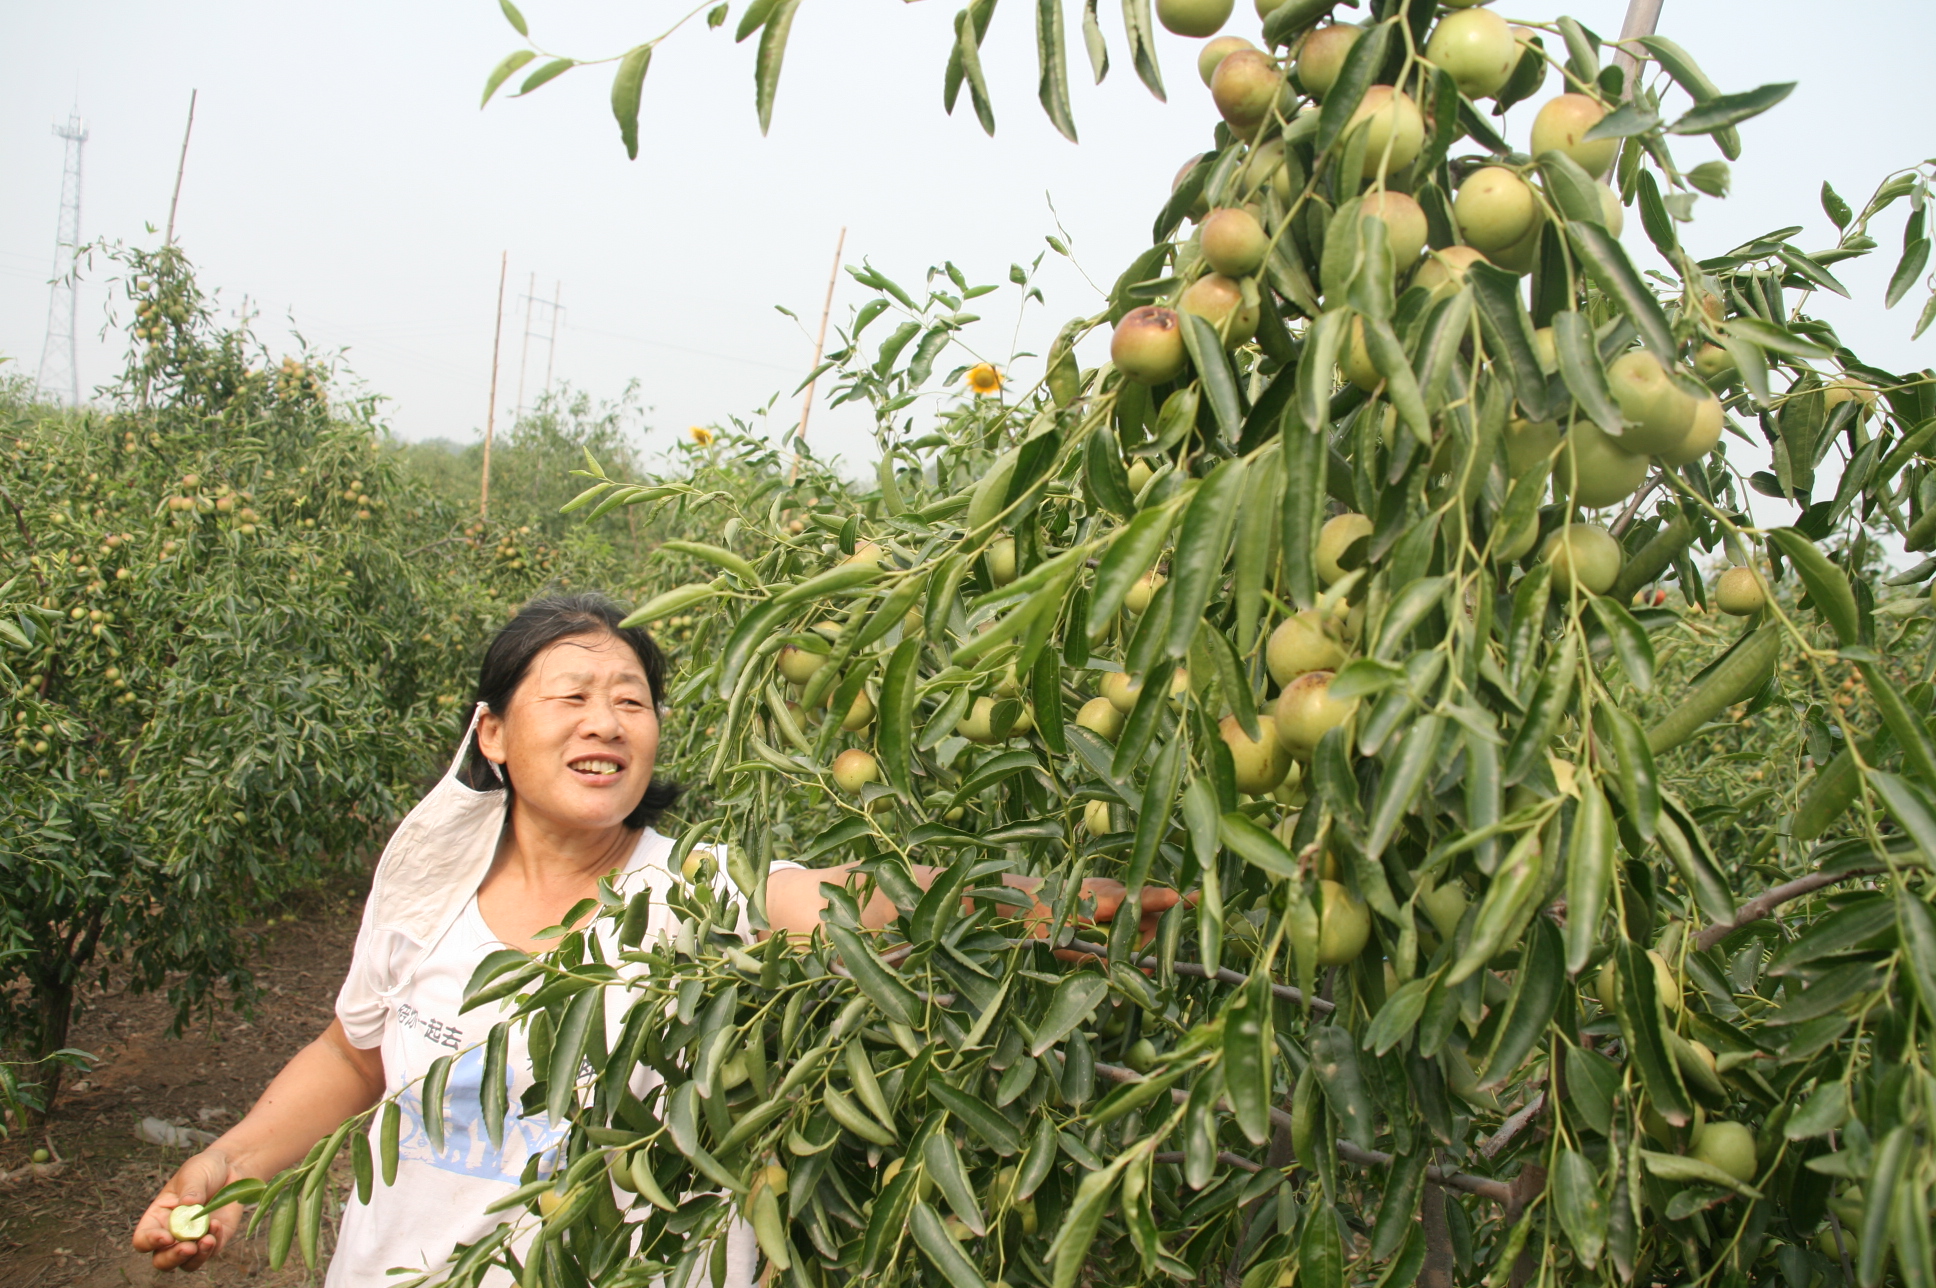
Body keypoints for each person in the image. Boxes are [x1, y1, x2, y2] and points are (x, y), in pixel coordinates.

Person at [133, 591, 1179, 1283]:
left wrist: (1022, 900)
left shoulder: (692, 893)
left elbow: (856, 899)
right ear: (492, 735)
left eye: (629, 700)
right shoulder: (423, 892)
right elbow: (352, 1056)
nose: (605, 720)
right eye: (572, 696)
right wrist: (224, 1166)